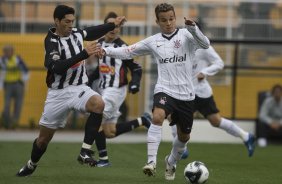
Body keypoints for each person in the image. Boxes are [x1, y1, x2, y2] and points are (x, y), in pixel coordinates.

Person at [94, 3, 210, 180]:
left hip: (186, 94)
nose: (168, 23)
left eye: (171, 19)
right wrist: (105, 50)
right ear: (158, 21)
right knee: (157, 117)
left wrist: (194, 28)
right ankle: (151, 162)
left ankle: (171, 162)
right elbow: (127, 51)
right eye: (164, 20)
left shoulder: (187, 34)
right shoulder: (153, 41)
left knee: (184, 137)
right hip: (165, 89)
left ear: (175, 18)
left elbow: (206, 44)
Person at [16, 5, 125, 177]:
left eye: (72, 21)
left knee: (98, 104)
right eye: (66, 22)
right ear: (57, 21)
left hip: (79, 88)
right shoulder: (51, 41)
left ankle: (85, 151)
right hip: (57, 94)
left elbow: (93, 31)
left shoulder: (76, 33)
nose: (70, 25)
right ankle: (31, 164)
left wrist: (113, 25)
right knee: (43, 140)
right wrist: (84, 54)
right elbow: (57, 67)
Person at [87, 12, 152, 167]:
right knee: (109, 132)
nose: (114, 29)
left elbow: (136, 68)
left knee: (94, 121)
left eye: (117, 26)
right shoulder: (99, 43)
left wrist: (135, 83)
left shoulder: (122, 47)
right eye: (111, 25)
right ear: (105, 26)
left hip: (115, 91)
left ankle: (103, 159)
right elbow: (101, 69)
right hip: (104, 90)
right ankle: (142, 120)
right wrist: (89, 80)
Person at [170, 44, 256, 158]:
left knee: (214, 121)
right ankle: (181, 148)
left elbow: (219, 63)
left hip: (201, 92)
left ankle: (246, 136)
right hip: (186, 92)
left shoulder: (204, 47)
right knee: (177, 117)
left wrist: (205, 72)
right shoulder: (179, 47)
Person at [0, 45, 29, 129]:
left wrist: (24, 83)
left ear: (12, 52)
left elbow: (26, 71)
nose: (6, 53)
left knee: (18, 105)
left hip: (18, 84)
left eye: (8, 51)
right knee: (7, 105)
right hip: (8, 85)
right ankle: (6, 123)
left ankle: (14, 124)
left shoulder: (18, 59)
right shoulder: (2, 60)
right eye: (5, 51)